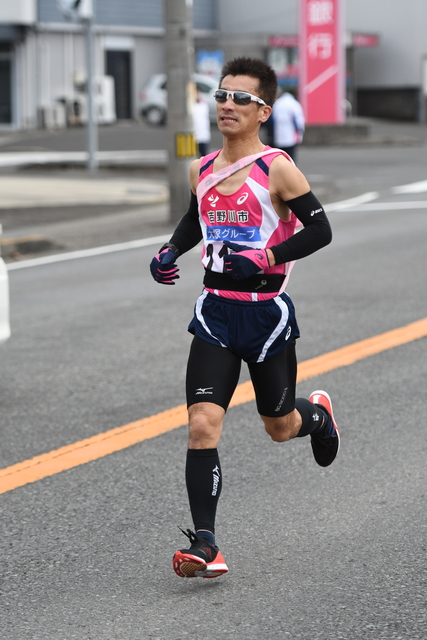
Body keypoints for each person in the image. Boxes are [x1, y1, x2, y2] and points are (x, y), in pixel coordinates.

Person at [150, 57, 340, 579]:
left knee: (279, 426)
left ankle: (317, 417)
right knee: (202, 424)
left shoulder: (278, 168)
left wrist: (267, 257)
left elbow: (320, 231)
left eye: (240, 98)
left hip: (266, 316)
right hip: (214, 314)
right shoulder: (202, 168)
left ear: (263, 111)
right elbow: (196, 220)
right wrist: (170, 250)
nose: (227, 104)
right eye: (222, 95)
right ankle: (207, 544)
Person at [272, 89, 305, 164]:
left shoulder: (277, 104)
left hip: (278, 137)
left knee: (278, 159)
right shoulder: (294, 104)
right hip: (290, 136)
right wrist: (300, 134)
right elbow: (298, 121)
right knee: (290, 159)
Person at [192, 90, 211, 157]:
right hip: (194, 136)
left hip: (203, 135)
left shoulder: (203, 105)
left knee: (203, 156)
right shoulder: (192, 106)